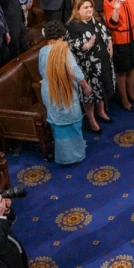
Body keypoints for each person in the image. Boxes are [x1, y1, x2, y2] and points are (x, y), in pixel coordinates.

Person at [38, 21, 92, 165]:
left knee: (57, 124)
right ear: (62, 36)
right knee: (72, 122)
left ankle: (62, 156)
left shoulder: (43, 51)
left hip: (49, 91)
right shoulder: (63, 50)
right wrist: (86, 87)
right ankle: (75, 155)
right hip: (64, 91)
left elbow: (42, 71)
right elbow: (74, 72)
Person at [66, 0, 114, 127]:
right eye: (85, 7)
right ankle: (92, 119)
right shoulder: (73, 25)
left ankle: (101, 111)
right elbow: (71, 46)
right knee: (90, 94)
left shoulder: (97, 19)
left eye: (91, 6)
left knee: (102, 89)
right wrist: (85, 46)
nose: (89, 9)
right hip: (88, 67)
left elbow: (106, 32)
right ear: (78, 10)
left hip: (103, 62)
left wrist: (110, 42)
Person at [104, 0, 134, 111]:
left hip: (133, 37)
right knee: (122, 72)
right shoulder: (109, 0)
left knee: (132, 67)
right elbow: (111, 24)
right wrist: (115, 10)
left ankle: (131, 94)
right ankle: (124, 99)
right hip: (120, 41)